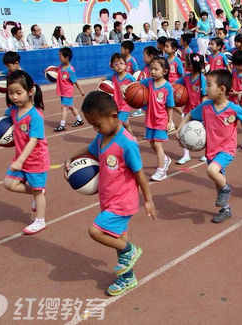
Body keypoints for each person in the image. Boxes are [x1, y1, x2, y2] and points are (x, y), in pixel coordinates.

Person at [64, 91, 156, 296]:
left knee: (96, 231)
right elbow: (90, 150)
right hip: (107, 198)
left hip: (123, 202)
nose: (96, 129)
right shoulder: (102, 136)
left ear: (114, 116)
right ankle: (128, 277)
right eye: (92, 125)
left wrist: (148, 200)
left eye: (97, 124)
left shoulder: (127, 143)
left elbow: (139, 173)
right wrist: (71, 157)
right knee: (117, 238)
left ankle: (130, 249)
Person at [176, 70, 242, 223]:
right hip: (211, 151)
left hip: (227, 150)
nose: (205, 89)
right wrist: (180, 129)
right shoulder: (205, 107)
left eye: (208, 85)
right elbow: (189, 115)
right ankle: (225, 209)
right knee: (217, 181)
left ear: (222, 89)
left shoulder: (232, 108)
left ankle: (226, 188)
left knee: (212, 171)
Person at [3, 70, 48, 234]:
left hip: (35, 159)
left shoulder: (35, 116)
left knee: (37, 192)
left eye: (18, 93)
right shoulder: (14, 111)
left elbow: (34, 140)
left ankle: (40, 220)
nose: (14, 97)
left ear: (30, 91)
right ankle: (38, 193)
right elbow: (5, 117)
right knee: (9, 184)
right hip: (20, 157)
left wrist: (20, 161)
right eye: (10, 93)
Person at [138, 57, 175, 181]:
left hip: (161, 120)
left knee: (158, 144)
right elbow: (135, 86)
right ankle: (165, 159)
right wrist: (125, 88)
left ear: (164, 71)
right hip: (150, 119)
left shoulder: (167, 87)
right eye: (151, 69)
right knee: (152, 145)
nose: (152, 71)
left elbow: (169, 106)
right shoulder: (148, 82)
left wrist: (170, 121)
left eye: (156, 69)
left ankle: (161, 170)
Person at [175, 53, 207, 164]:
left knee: (204, 132)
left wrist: (204, 111)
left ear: (191, 66)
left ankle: (207, 153)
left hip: (200, 111)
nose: (184, 63)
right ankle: (186, 155)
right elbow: (174, 85)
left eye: (186, 62)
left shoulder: (202, 78)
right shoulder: (186, 78)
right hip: (188, 110)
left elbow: (204, 97)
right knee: (184, 132)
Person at [53, 47, 85, 132]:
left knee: (63, 107)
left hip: (67, 91)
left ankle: (62, 125)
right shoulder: (60, 67)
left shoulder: (70, 70)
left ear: (67, 58)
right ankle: (79, 120)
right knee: (70, 106)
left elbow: (75, 81)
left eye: (61, 56)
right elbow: (54, 72)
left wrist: (81, 90)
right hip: (62, 91)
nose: (59, 58)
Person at [103, 53, 136, 133]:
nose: (119, 66)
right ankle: (132, 138)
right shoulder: (113, 77)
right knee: (126, 124)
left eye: (121, 63)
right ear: (112, 66)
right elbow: (102, 80)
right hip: (115, 105)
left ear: (125, 65)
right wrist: (99, 85)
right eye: (116, 64)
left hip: (125, 105)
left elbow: (137, 86)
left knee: (118, 126)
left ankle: (120, 143)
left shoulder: (130, 78)